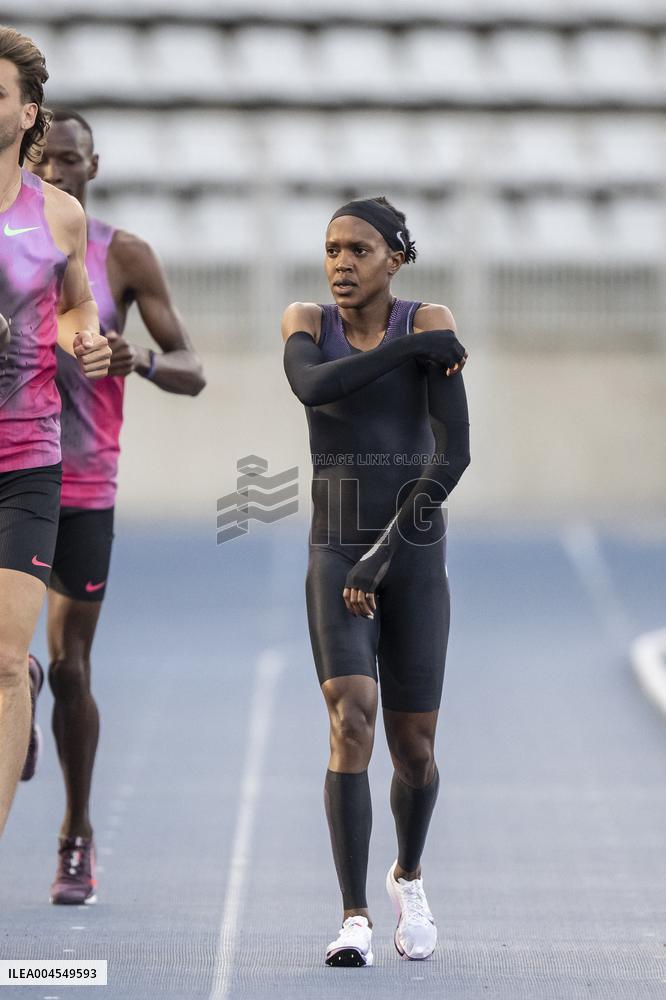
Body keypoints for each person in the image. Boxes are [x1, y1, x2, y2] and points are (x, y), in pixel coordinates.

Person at [282, 196, 470, 966]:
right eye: (331, 249)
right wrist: (402, 357)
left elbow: (451, 457)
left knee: (414, 748)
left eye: (359, 250)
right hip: (334, 548)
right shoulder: (306, 321)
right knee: (350, 714)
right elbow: (313, 388)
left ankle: (409, 875)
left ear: (396, 259)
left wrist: (388, 553)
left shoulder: (430, 321)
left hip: (412, 555)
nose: (341, 264)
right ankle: (355, 915)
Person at [27, 108, 206, 904]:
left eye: (72, 162)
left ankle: (76, 836)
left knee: (71, 668)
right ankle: (11, 677)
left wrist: (137, 362)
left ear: (92, 168)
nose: (59, 174)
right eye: (46, 161)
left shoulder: (122, 255)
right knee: (15, 659)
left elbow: (191, 367)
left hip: (84, 482)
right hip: (10, 466)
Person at [0, 28, 111, 838]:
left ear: (25, 112)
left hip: (26, 463)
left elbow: (76, 312)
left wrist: (90, 342)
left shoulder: (59, 216)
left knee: (6, 664)